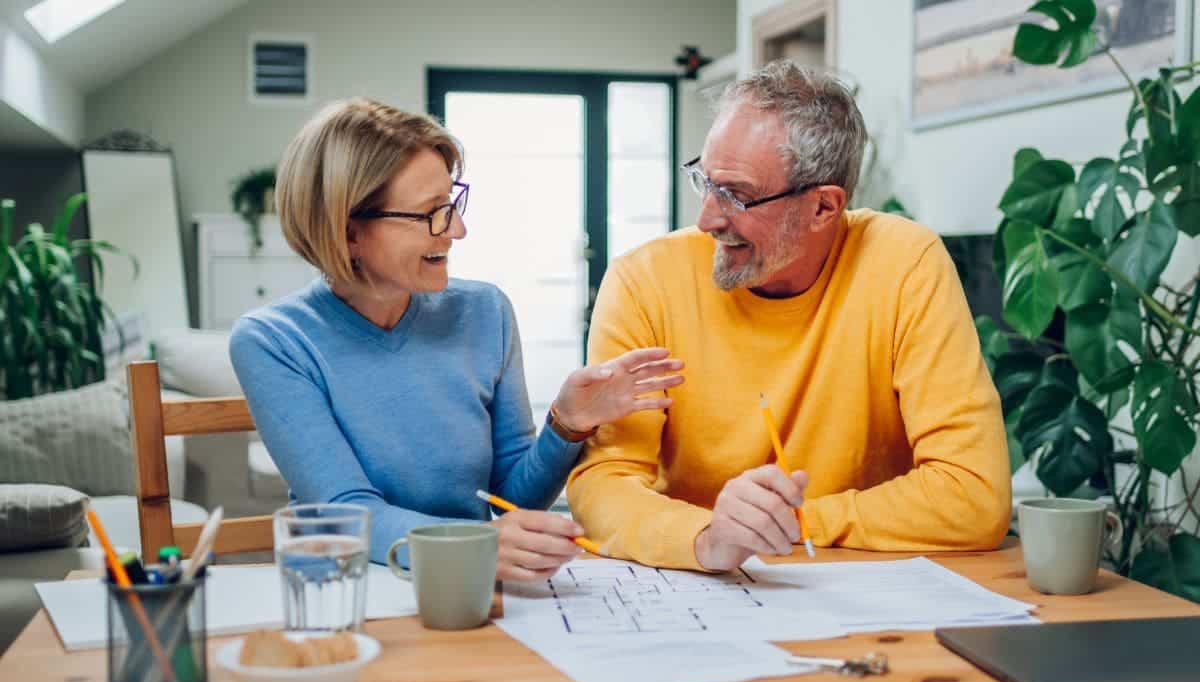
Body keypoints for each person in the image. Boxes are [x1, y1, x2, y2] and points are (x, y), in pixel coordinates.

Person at [567, 61, 1010, 572]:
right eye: (705, 182)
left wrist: (787, 524)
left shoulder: (905, 264)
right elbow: (603, 484)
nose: (707, 218)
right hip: (696, 584)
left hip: (863, 593)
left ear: (824, 207)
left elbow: (974, 495)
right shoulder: (644, 282)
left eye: (736, 195)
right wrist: (709, 538)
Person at [229, 98, 683, 581]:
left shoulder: (485, 312)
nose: (458, 230)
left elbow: (513, 498)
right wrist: (479, 543)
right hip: (349, 590)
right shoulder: (273, 341)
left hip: (468, 587)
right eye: (432, 213)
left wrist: (567, 424)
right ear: (348, 232)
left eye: (453, 204)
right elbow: (345, 511)